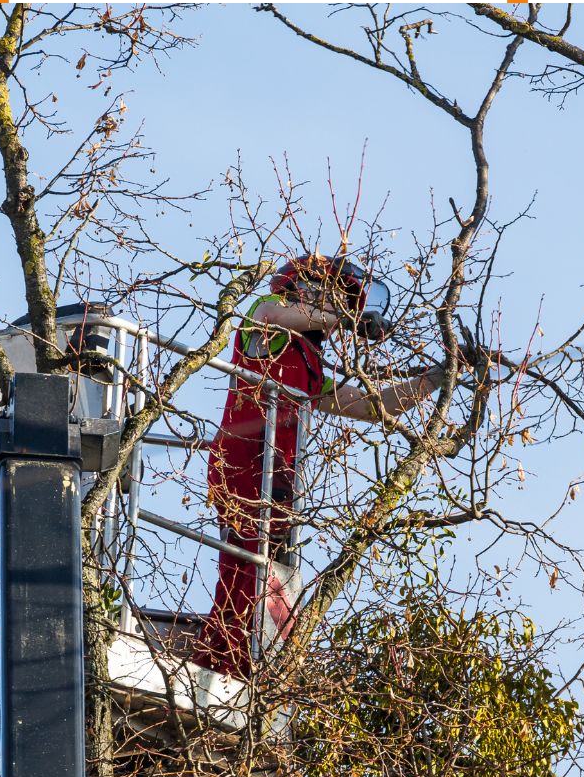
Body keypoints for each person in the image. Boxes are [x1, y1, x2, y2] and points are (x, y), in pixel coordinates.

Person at [194, 252, 452, 679]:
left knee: (261, 573)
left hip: (277, 476)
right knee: (243, 570)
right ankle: (220, 663)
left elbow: (371, 406)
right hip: (242, 463)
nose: (342, 310)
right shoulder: (265, 320)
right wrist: (348, 319)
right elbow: (284, 314)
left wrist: (435, 379)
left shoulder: (308, 364)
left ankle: (240, 665)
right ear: (307, 288)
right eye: (336, 297)